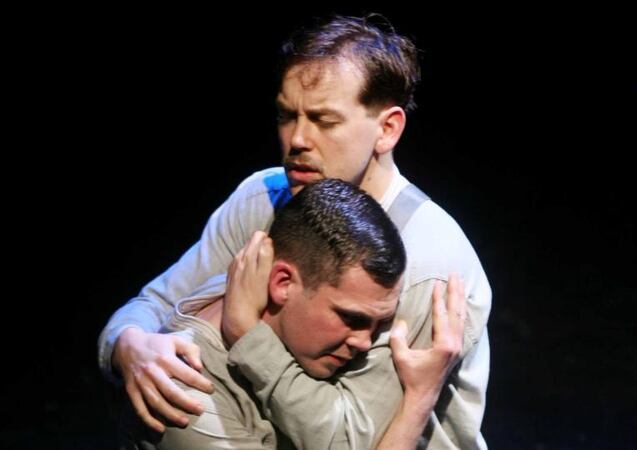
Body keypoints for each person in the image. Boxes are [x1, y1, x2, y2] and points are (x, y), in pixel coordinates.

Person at [100, 14, 492, 449]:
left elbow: (356, 441)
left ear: (387, 128)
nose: (298, 139)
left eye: (324, 121)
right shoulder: (261, 199)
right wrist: (128, 345)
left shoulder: (425, 263)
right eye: (288, 115)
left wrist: (248, 335)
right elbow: (155, 303)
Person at [124, 179, 466, 449]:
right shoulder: (183, 389)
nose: (364, 343)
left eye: (378, 325)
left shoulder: (296, 338)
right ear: (283, 283)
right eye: (352, 318)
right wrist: (420, 399)